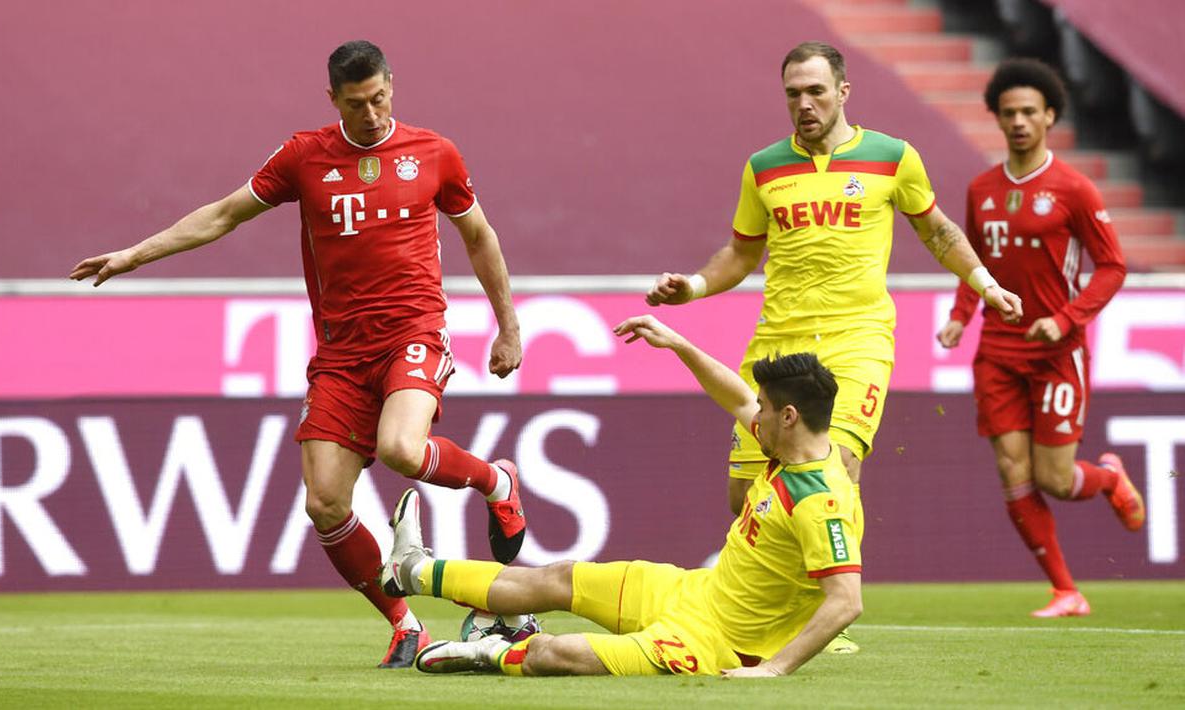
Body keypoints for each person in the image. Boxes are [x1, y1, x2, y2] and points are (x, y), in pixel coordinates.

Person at [69, 41, 528, 667]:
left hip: (413, 332)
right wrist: (133, 254)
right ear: (333, 99)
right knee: (325, 503)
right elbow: (224, 215)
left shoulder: (434, 153)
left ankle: (495, 481)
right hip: (341, 355)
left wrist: (509, 327)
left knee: (399, 448)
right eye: (356, 103)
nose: (370, 113)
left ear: (392, 85)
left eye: (380, 98)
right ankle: (404, 623)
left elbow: (479, 235)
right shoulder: (304, 157)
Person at [646, 41, 1022, 653]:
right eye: (793, 93)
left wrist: (983, 282)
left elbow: (937, 230)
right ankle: (777, 613)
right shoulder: (764, 166)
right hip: (779, 343)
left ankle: (822, 615)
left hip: (857, 340)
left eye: (816, 91)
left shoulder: (892, 157)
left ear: (843, 92)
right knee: (746, 495)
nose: (805, 103)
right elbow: (742, 253)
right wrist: (689, 287)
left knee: (832, 468)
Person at [380, 314, 863, 678]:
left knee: (555, 652)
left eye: (766, 407)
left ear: (790, 416)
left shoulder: (822, 500)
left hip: (712, 641)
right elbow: (736, 396)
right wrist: (677, 344)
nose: (754, 416)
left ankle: (492, 652)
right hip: (692, 591)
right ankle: (412, 570)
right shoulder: (787, 447)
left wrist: (774, 669)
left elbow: (846, 602)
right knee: (560, 577)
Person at [935, 58, 1143, 618]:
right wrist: (961, 314)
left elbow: (1113, 266)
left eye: (1030, 111)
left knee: (1054, 479)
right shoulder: (981, 190)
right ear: (997, 121)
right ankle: (1065, 590)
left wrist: (1069, 318)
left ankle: (1106, 478)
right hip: (997, 351)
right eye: (1009, 113)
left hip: (1057, 351)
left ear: (1050, 116)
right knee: (1011, 469)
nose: (1019, 121)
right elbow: (972, 262)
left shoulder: (1074, 189)